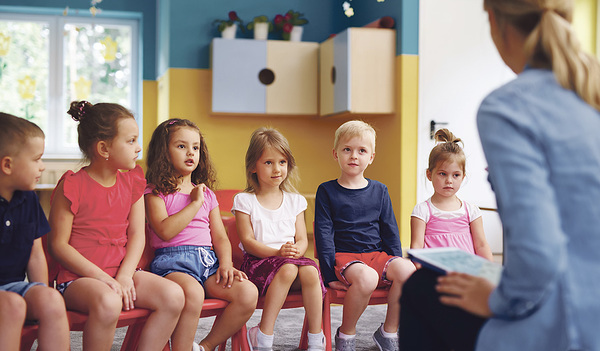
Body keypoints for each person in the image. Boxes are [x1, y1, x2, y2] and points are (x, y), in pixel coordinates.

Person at [399, 0, 600, 350]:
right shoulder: (589, 91)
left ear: (494, 20)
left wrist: (497, 300)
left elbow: (539, 252)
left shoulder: (507, 107)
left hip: (572, 322)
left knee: (420, 289)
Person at [48, 102, 185, 351]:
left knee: (173, 296)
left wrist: (123, 275)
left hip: (121, 272)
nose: (139, 147)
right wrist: (103, 278)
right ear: (104, 148)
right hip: (79, 279)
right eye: (131, 141)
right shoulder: (72, 185)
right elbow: (58, 245)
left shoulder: (132, 181)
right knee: (109, 300)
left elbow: (136, 236)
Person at [145, 118, 258, 351]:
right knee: (193, 293)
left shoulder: (206, 194)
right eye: (181, 146)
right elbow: (165, 231)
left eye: (195, 147)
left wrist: (226, 264)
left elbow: (220, 237)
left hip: (208, 263)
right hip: (172, 264)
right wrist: (194, 204)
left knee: (247, 293)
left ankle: (204, 347)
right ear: (163, 151)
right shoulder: (155, 192)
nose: (190, 153)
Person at [314, 120, 416, 351]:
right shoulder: (326, 190)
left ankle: (388, 332)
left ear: (371, 157)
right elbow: (323, 233)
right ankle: (346, 335)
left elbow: (390, 230)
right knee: (368, 277)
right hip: (345, 258)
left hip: (376, 256)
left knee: (408, 271)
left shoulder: (380, 190)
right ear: (335, 154)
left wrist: (395, 263)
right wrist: (328, 273)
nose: (354, 156)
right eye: (347, 149)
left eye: (362, 150)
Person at [232, 127, 326, 351]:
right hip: (258, 265)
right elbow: (248, 241)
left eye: (282, 162)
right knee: (289, 269)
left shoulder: (295, 201)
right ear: (253, 166)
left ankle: (316, 338)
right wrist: (277, 253)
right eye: (268, 163)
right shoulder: (245, 201)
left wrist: (297, 250)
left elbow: (302, 239)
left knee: (311, 270)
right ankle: (264, 336)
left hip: (289, 262)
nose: (277, 169)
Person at [0, 112, 69, 351]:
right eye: (37, 159)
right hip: (8, 299)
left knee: (51, 299)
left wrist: (39, 292)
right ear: (7, 164)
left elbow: (36, 253)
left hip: (12, 287)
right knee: (12, 306)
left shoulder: (28, 198)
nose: (42, 166)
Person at [410, 128, 493, 260]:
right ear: (429, 174)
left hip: (465, 272)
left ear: (463, 177)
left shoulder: (471, 211)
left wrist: (490, 273)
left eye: (456, 175)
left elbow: (482, 245)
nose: (449, 181)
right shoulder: (422, 211)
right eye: (442, 174)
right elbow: (416, 246)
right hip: (434, 273)